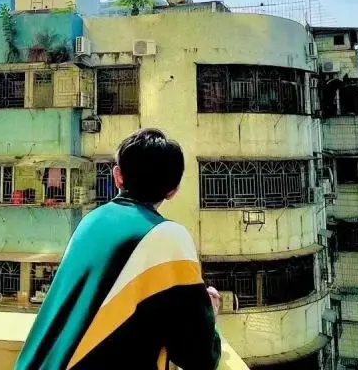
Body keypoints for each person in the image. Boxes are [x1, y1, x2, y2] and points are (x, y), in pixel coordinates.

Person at [15, 128, 222, 370]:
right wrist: (209, 314)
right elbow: (199, 357)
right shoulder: (168, 236)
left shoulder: (91, 221)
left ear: (117, 176)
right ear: (173, 190)